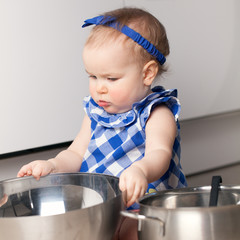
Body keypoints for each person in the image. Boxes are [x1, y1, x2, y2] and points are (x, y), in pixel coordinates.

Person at [17, 7, 187, 239]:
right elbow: (77, 153)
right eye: (93, 76)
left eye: (111, 78)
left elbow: (160, 153)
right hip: (101, 202)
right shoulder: (95, 112)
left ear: (147, 74)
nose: (100, 87)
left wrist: (141, 170)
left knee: (135, 231)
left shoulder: (156, 113)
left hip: (142, 200)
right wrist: (53, 165)